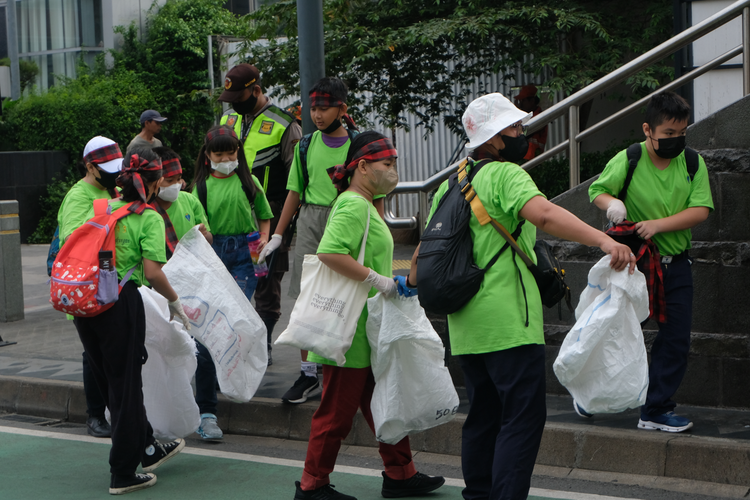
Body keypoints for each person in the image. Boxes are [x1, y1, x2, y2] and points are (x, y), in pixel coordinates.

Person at [410, 93, 636, 500]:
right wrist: (604, 241)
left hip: (465, 325)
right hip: (510, 324)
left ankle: (479, 495)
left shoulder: (452, 183)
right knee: (521, 419)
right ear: (494, 139)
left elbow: (423, 252)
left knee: (482, 417)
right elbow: (545, 215)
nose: (522, 135)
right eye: (515, 128)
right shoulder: (506, 175)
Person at [294, 131, 445, 500]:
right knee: (335, 414)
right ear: (362, 167)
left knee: (386, 404)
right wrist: (380, 281)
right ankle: (312, 485)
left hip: (367, 326)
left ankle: (400, 474)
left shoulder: (366, 203)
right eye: (387, 164)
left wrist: (387, 282)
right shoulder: (353, 205)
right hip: (349, 328)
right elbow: (330, 252)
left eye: (394, 164)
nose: (393, 171)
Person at [589, 91, 713, 433]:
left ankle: (655, 409)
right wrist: (613, 204)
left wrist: (658, 225)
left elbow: (700, 209)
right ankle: (589, 394)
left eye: (681, 132)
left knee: (675, 340)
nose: (675, 140)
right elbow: (597, 190)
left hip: (676, 266)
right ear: (648, 129)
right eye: (668, 133)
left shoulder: (692, 162)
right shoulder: (630, 158)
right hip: (634, 265)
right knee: (614, 331)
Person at [260, 76, 381, 404]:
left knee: (352, 291)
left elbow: (376, 189)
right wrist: (278, 235)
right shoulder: (305, 145)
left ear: (342, 108)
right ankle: (308, 372)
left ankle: (352, 366)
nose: (317, 114)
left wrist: (378, 226)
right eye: (314, 108)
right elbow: (294, 193)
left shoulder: (358, 144)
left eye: (325, 108)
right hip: (312, 223)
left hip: (349, 218)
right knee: (305, 296)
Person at [75, 148, 190, 495]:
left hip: (86, 302)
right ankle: (123, 472)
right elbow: (153, 272)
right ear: (154, 184)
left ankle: (146, 448)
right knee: (127, 389)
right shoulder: (149, 217)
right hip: (119, 304)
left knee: (111, 384)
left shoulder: (103, 207)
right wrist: (174, 301)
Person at [187, 125, 274, 437]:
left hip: (244, 259)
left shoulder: (247, 182)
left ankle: (231, 384)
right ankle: (207, 412)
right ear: (207, 156)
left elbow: (265, 215)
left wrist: (264, 238)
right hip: (211, 257)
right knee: (209, 334)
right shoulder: (199, 188)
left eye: (231, 152)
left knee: (232, 324)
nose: (226, 158)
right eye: (219, 153)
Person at [217, 63, 302, 366]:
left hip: (268, 217)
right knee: (228, 280)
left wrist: (283, 227)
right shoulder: (227, 118)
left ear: (255, 90)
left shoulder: (284, 124)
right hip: (227, 216)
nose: (233, 103)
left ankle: (263, 344)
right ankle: (231, 343)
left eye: (238, 96)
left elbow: (296, 180)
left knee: (266, 281)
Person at [149, 146, 221, 441]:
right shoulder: (144, 211)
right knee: (159, 357)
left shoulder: (189, 200)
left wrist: (205, 237)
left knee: (203, 351)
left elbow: (208, 236)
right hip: (156, 295)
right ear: (155, 182)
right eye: (169, 180)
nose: (175, 186)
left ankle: (207, 414)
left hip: (191, 290)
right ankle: (158, 420)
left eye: (179, 178)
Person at [57, 136, 123, 439]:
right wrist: (106, 210)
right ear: (90, 167)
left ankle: (114, 411)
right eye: (106, 169)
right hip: (85, 288)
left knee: (111, 351)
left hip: (112, 282)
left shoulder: (115, 190)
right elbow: (71, 238)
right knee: (92, 354)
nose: (113, 174)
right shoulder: (78, 195)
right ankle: (95, 415)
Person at [514, 84, 548, 160]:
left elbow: (522, 131)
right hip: (526, 157)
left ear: (532, 101)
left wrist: (517, 112)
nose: (520, 104)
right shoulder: (528, 116)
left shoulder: (539, 117)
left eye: (523, 101)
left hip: (532, 158)